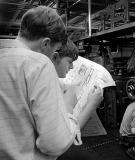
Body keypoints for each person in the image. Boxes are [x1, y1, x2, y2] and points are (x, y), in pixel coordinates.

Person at [0, 5, 102, 160]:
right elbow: (54, 144)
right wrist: (68, 109)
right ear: (46, 43)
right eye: (55, 51)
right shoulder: (38, 63)